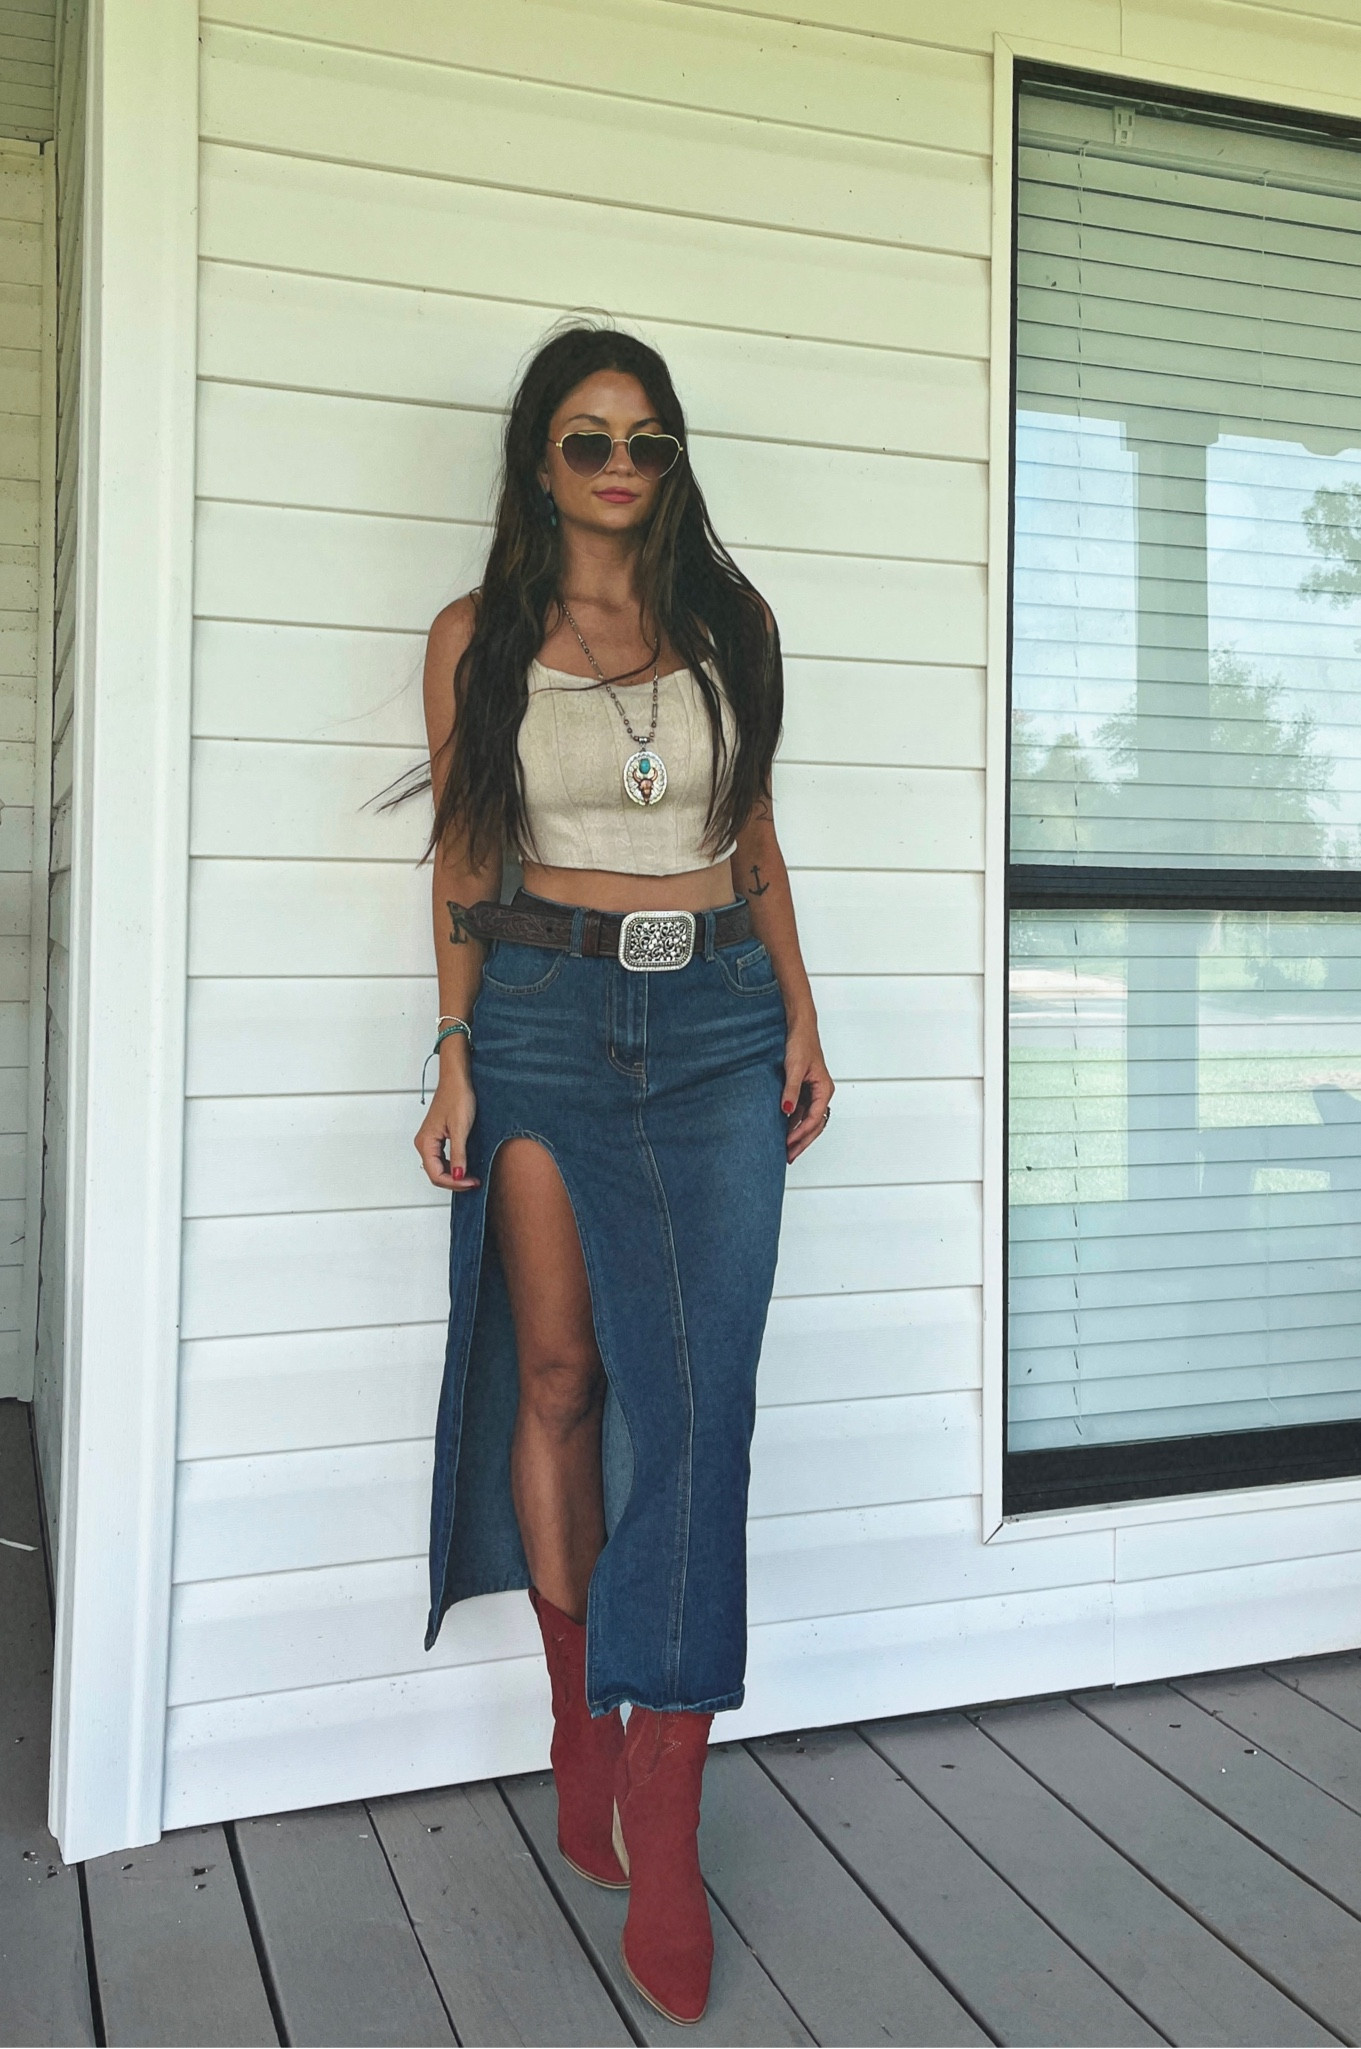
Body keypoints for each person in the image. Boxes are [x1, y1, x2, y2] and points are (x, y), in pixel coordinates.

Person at [409, 325, 831, 2025]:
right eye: (586, 439)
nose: (619, 465)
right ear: (537, 458)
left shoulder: (732, 628)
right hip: (536, 1021)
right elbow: (461, 849)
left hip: (720, 1019)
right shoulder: (476, 638)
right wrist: (446, 1043)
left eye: (645, 439)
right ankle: (581, 1723)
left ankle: (665, 1797)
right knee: (566, 1373)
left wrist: (801, 1010)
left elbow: (756, 835)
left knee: (702, 1399)